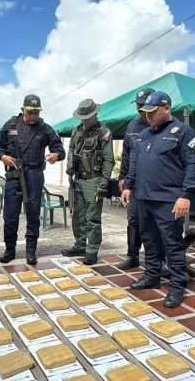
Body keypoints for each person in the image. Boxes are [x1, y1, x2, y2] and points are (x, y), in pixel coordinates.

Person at [121, 90, 195, 308]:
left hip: (168, 199)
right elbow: (135, 163)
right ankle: (151, 276)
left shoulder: (183, 132)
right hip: (143, 198)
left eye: (152, 112)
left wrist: (186, 195)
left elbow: (194, 165)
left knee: (172, 244)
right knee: (149, 241)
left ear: (166, 108)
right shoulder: (146, 134)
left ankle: (177, 286)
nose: (148, 117)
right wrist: (128, 185)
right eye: (145, 113)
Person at [0, 94, 65, 265]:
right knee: (10, 215)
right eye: (30, 112)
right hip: (14, 174)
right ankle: (9, 249)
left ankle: (31, 250)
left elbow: (59, 149)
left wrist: (56, 155)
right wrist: (2, 156)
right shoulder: (11, 124)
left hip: (34, 174)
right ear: (22, 110)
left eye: (36, 113)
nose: (33, 116)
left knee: (33, 214)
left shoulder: (45, 128)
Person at [62, 99, 115, 265]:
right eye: (82, 117)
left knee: (92, 218)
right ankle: (80, 245)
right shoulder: (76, 131)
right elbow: (71, 151)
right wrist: (70, 170)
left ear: (95, 114)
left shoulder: (103, 132)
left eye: (88, 116)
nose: (85, 119)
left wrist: (104, 182)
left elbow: (108, 159)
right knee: (78, 216)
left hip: (94, 179)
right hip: (78, 179)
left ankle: (91, 251)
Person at [116, 88, 154, 270]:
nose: (140, 110)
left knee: (153, 223)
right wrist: (122, 177)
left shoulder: (163, 124)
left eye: (143, 106)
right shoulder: (132, 126)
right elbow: (126, 154)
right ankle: (132, 256)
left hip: (156, 184)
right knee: (133, 221)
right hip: (134, 183)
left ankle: (156, 261)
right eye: (138, 106)